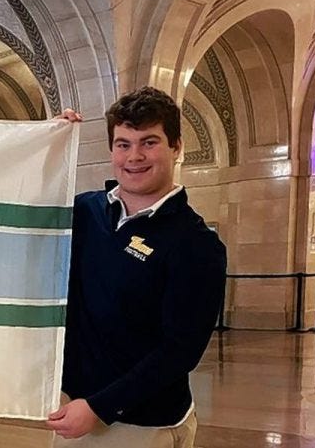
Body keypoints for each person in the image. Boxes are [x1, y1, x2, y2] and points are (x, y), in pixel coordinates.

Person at [47, 87, 227, 447]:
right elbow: (17, 215)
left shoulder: (195, 244)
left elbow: (179, 352)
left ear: (176, 146)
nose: (134, 157)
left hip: (143, 425)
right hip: (75, 411)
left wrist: (100, 407)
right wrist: (46, 146)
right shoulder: (85, 212)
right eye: (123, 144)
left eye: (149, 142)